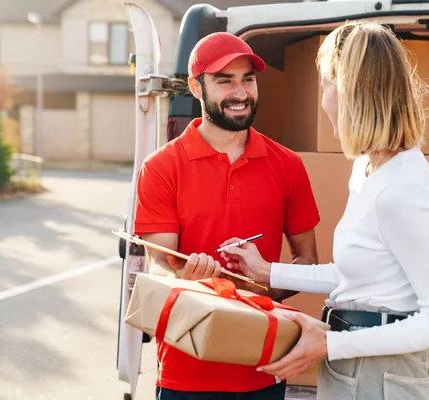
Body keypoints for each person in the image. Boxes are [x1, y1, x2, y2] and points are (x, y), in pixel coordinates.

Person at [220, 21, 429, 400]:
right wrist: (265, 270)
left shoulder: (401, 188)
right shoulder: (368, 170)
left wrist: (332, 346)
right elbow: (359, 275)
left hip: (383, 375)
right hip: (353, 363)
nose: (323, 101)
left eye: (325, 87)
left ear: (352, 92)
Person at [132, 32, 320, 400]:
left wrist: (262, 280)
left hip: (263, 367)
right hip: (185, 369)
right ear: (196, 88)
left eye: (247, 79)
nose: (240, 93)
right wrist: (187, 279)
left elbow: (307, 261)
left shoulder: (288, 166)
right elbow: (158, 265)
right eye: (224, 81)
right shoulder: (161, 167)